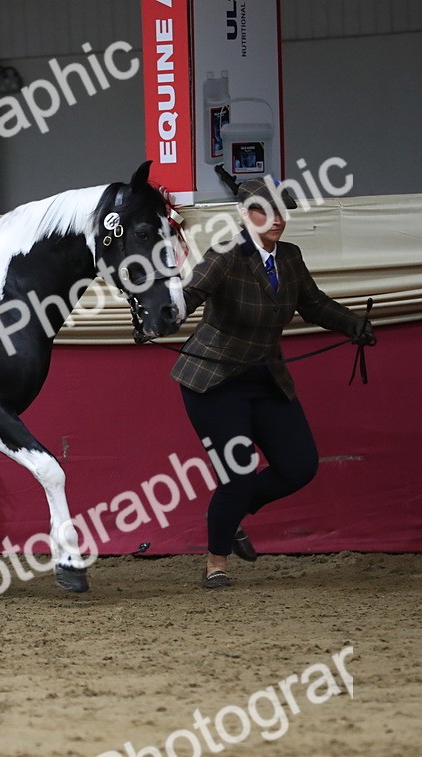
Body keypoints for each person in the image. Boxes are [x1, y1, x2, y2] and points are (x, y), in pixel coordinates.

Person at [170, 177, 375, 589]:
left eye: (282, 211)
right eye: (266, 211)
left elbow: (314, 303)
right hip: (213, 379)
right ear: (246, 215)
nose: (278, 219)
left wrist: (353, 325)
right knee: (238, 474)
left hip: (266, 376)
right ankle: (216, 562)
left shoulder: (291, 257)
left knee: (300, 466)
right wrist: (164, 316)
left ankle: (233, 517)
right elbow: (192, 293)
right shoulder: (227, 253)